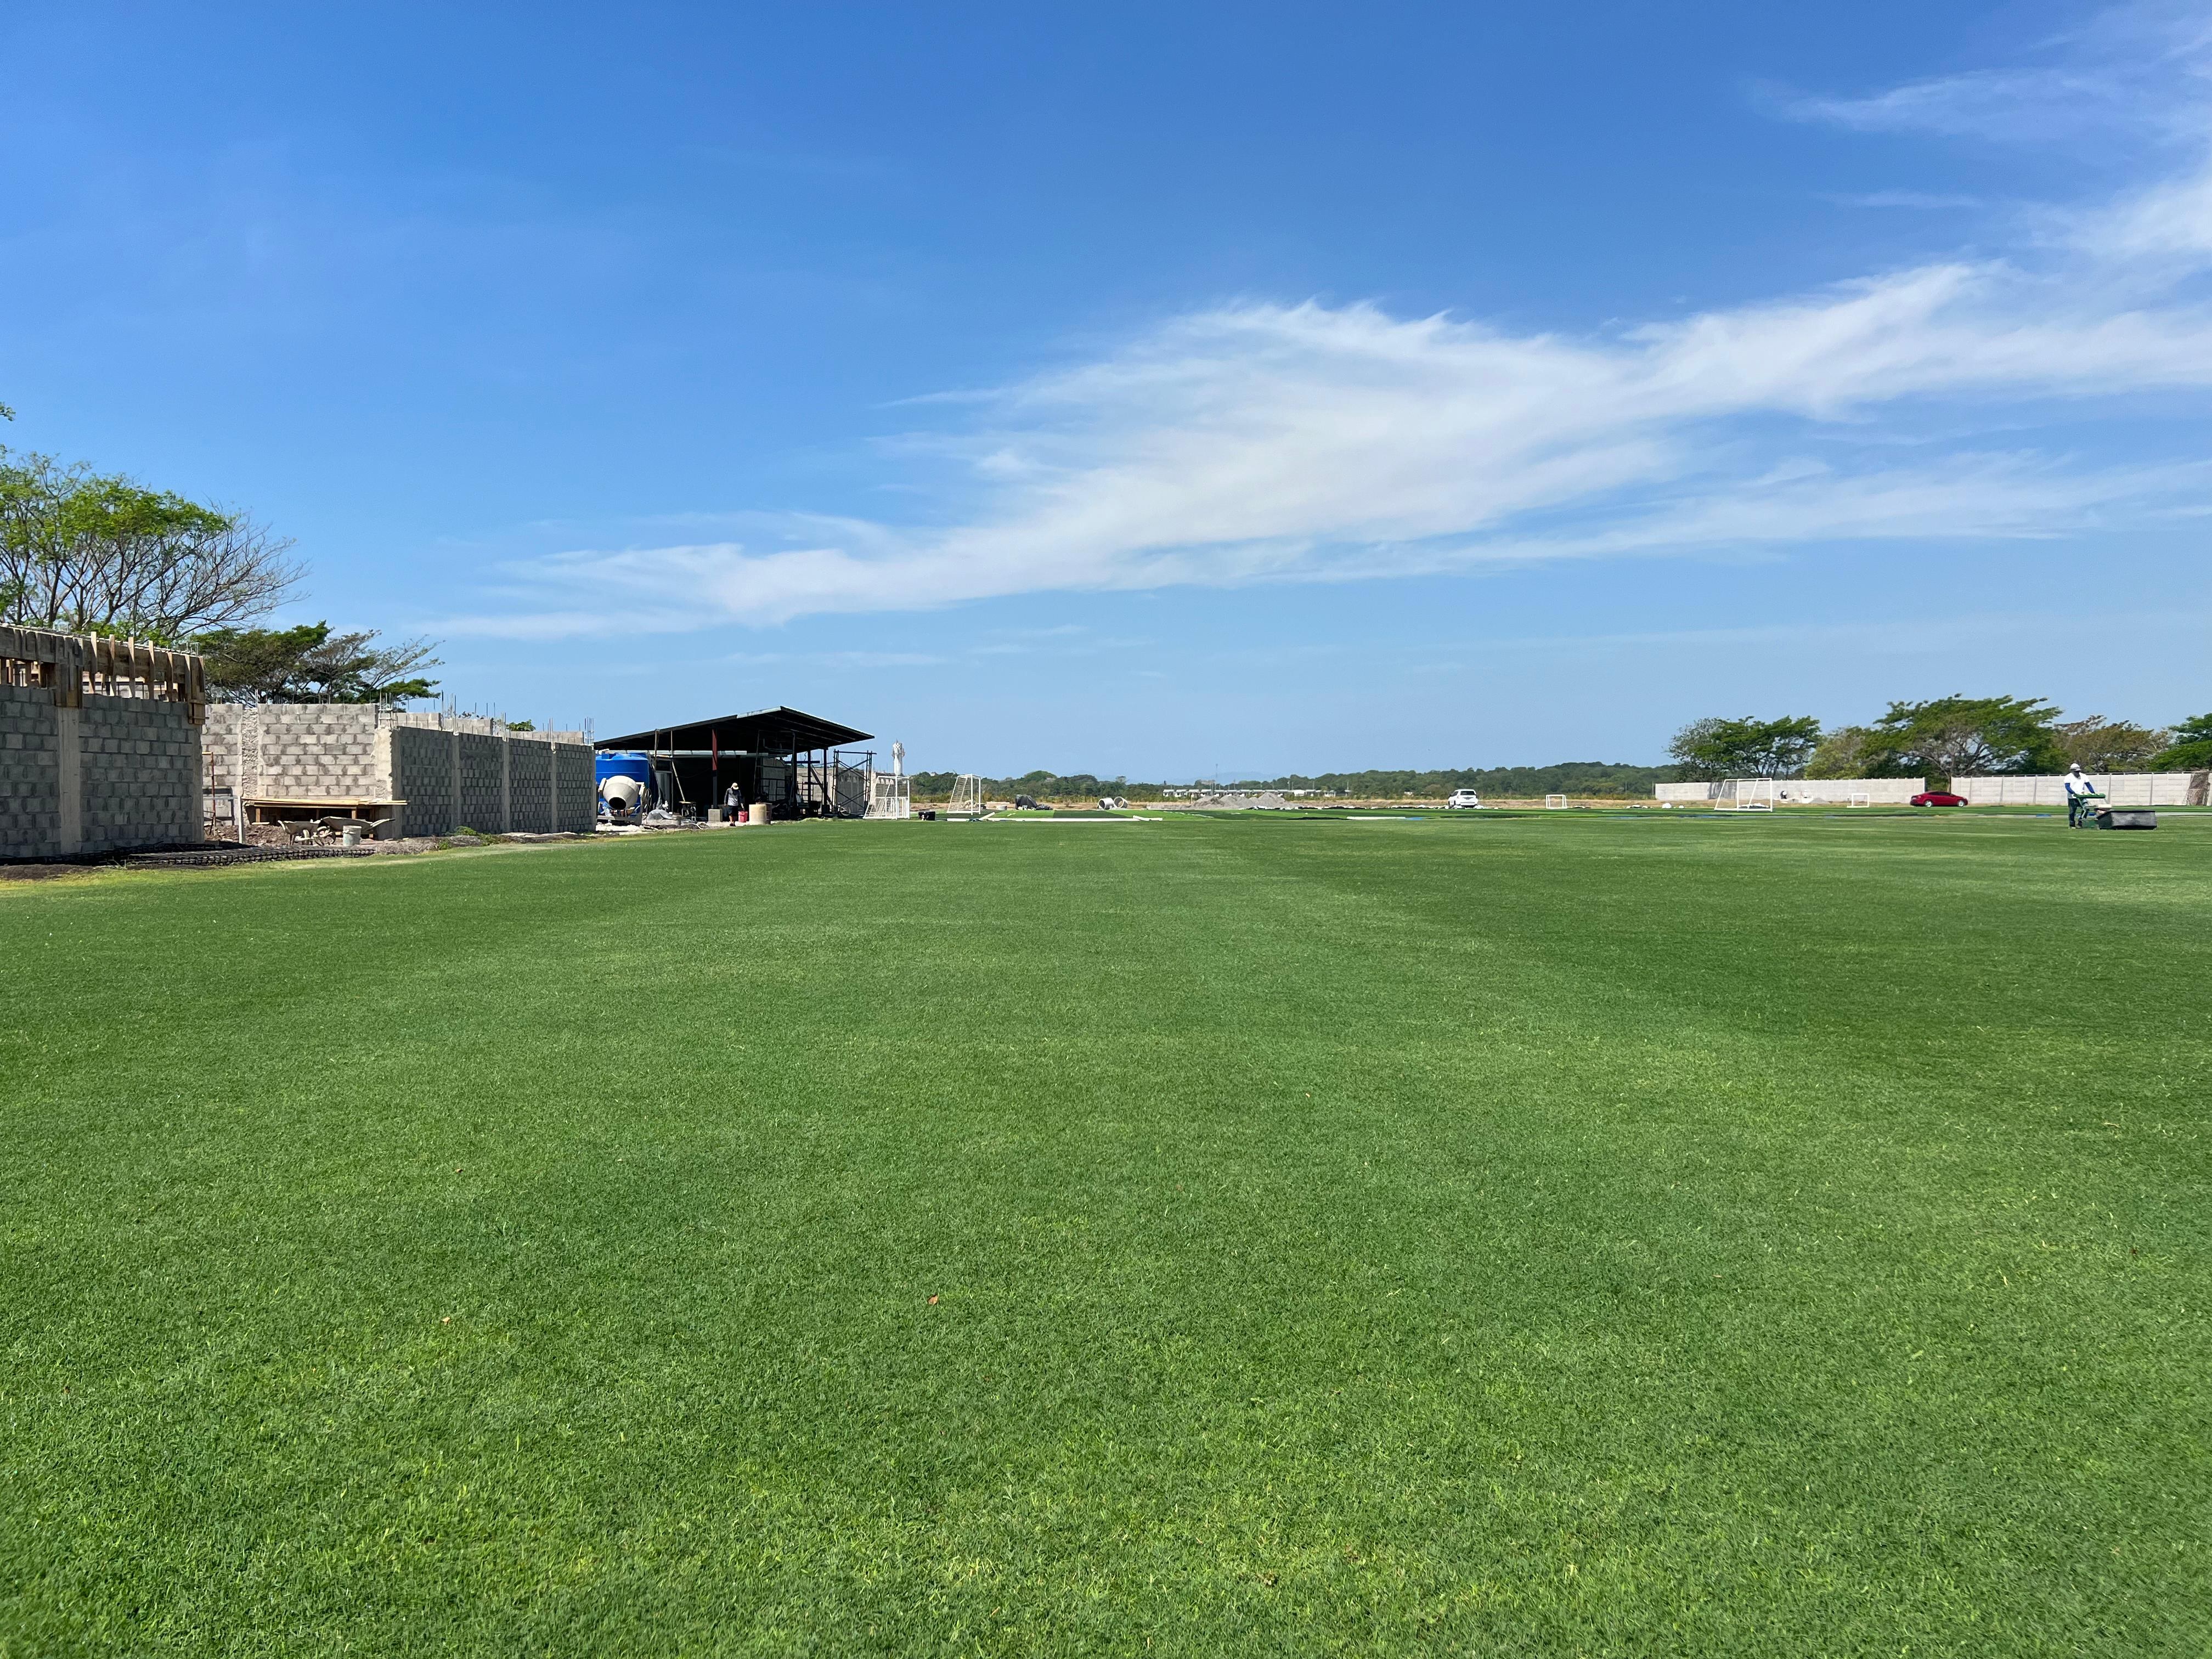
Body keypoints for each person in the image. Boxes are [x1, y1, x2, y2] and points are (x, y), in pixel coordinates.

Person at [2064, 762, 2102, 827]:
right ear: (2072, 771)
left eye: (2078, 771)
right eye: (2076, 771)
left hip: (2082, 796)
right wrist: (2073, 793)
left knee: (2086, 809)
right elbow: (2067, 787)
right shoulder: (2068, 777)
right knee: (2072, 812)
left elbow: (2088, 785)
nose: (2077, 773)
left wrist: (2093, 793)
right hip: (2072, 797)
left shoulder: (2084, 776)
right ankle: (2072, 824)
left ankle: (2081, 821)